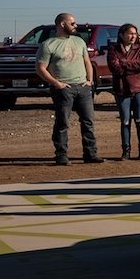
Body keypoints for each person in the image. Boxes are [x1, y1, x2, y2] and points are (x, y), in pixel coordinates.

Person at [36, 12, 99, 165]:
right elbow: (40, 68)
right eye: (72, 23)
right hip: (63, 89)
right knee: (62, 122)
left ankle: (90, 154)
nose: (75, 26)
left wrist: (89, 80)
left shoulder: (79, 41)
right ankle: (61, 155)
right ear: (62, 24)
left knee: (88, 121)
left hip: (82, 87)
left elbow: (87, 62)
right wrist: (56, 83)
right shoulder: (48, 44)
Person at [105, 22, 140, 159]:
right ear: (122, 35)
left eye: (135, 34)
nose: (133, 36)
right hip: (122, 89)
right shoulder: (114, 50)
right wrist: (130, 65)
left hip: (139, 88)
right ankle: (126, 150)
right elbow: (115, 68)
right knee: (125, 121)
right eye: (130, 33)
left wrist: (124, 62)